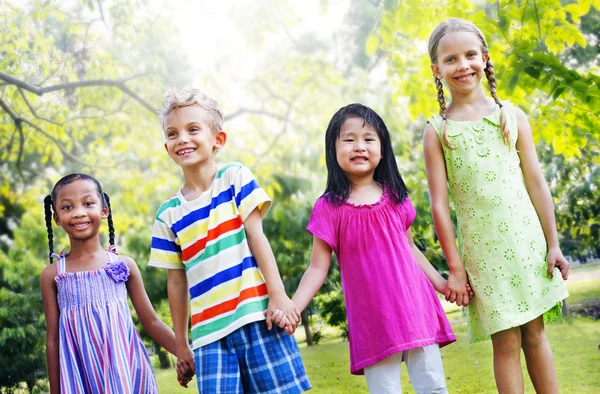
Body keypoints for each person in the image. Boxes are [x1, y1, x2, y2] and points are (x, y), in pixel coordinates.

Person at [423, 17, 570, 394]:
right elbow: (439, 205)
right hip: (484, 256)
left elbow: (536, 184)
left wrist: (552, 243)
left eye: (470, 55)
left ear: (485, 58)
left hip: (528, 247)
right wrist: (455, 269)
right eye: (451, 59)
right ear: (437, 69)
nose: (463, 65)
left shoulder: (512, 116)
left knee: (536, 336)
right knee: (506, 343)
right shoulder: (438, 131)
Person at [290, 103, 463, 394]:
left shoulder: (396, 198)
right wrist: (294, 308)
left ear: (382, 150)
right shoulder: (328, 208)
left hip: (415, 310)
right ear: (332, 150)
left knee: (432, 386)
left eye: (369, 139)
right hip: (373, 322)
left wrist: (442, 284)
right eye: (349, 139)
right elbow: (317, 268)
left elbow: (410, 249)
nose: (359, 146)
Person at [148, 87, 311, 393]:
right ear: (167, 148)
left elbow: (256, 237)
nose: (182, 138)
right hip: (208, 337)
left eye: (192, 129)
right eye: (172, 134)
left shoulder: (234, 177)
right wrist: (182, 344)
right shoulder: (167, 215)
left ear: (217, 140)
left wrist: (278, 295)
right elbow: (176, 282)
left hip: (257, 317)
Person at [40, 173, 193, 394]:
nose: (79, 212)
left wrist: (185, 354)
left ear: (104, 210)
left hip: (125, 372)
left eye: (88, 203)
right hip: (81, 378)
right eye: (67, 207)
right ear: (56, 217)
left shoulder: (125, 265)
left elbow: (151, 322)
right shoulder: (52, 276)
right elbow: (53, 340)